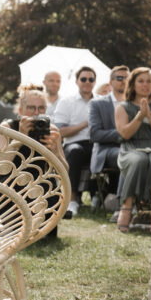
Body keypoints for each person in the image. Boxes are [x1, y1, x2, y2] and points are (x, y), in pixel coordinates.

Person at [0, 84, 68, 239]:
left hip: (43, 188)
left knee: (44, 237)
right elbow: (0, 168)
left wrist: (55, 150)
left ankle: (40, 228)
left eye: (41, 108)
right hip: (11, 186)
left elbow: (65, 173)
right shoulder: (8, 127)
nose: (36, 113)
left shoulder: (52, 130)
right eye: (31, 108)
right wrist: (20, 136)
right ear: (20, 110)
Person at [114, 67, 151, 233]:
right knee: (139, 160)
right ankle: (126, 207)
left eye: (148, 81)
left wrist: (149, 116)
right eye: (141, 81)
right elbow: (125, 134)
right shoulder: (123, 107)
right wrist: (139, 116)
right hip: (132, 147)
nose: (145, 85)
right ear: (133, 84)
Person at [53, 66, 96, 217]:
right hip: (74, 143)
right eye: (83, 79)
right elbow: (60, 131)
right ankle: (72, 200)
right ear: (77, 81)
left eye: (91, 79)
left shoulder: (99, 102)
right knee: (75, 151)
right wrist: (85, 123)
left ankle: (101, 197)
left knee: (108, 152)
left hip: (97, 143)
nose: (87, 82)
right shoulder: (67, 102)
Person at [89, 64, 128, 215]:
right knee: (126, 156)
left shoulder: (136, 104)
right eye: (120, 78)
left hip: (133, 147)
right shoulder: (97, 103)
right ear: (111, 82)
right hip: (106, 151)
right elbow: (95, 135)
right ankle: (122, 205)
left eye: (127, 78)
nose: (124, 81)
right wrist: (122, 132)